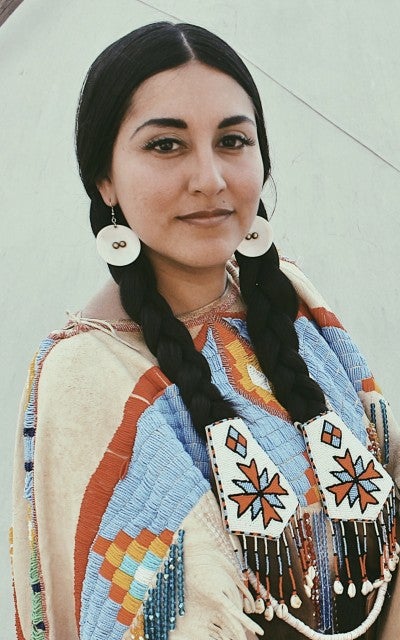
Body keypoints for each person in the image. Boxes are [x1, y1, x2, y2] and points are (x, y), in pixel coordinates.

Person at [11, 21, 400, 640]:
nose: (210, 178)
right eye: (166, 145)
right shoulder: (88, 377)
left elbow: (388, 472)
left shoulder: (291, 299)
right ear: (103, 178)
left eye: (233, 141)